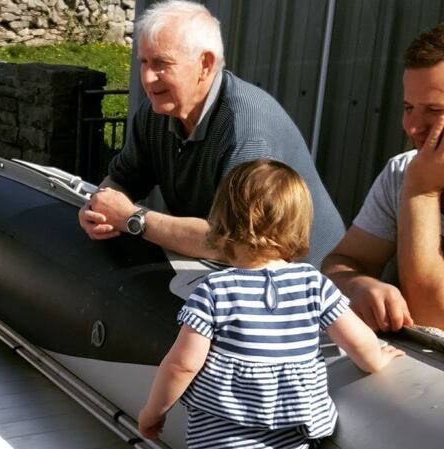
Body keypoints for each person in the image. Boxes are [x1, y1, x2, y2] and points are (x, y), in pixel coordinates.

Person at [137, 160, 404, 448]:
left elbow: (183, 365)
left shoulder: (215, 290)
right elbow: (359, 342)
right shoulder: (312, 284)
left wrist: (154, 412)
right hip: (292, 439)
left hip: (222, 441)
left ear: (223, 222)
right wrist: (377, 358)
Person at [79, 0, 344, 268]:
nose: (147, 78)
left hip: (305, 286)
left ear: (205, 64)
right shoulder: (155, 113)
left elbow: (237, 244)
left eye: (161, 64)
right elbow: (123, 179)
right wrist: (98, 209)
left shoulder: (246, 129)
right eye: (144, 62)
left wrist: (133, 219)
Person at [322, 23, 444, 332]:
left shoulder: (414, 179)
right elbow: (340, 263)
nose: (413, 127)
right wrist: (359, 285)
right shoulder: (401, 171)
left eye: (433, 110)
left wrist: (420, 192)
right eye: (408, 107)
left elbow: (433, 315)